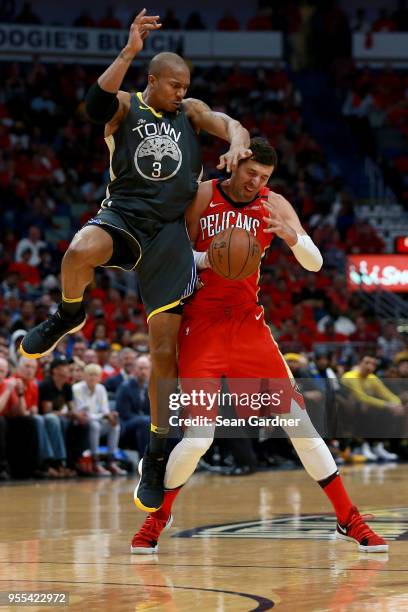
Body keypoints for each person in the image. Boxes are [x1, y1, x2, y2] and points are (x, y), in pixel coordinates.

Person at [21, 9, 251, 512]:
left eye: (185, 84)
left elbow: (231, 124)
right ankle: (69, 313)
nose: (180, 91)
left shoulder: (189, 114)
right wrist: (127, 50)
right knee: (79, 251)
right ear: (152, 80)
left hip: (168, 236)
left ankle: (156, 451)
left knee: (164, 351)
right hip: (123, 216)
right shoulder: (127, 106)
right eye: (173, 84)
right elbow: (92, 104)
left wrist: (235, 144)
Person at [131, 138, 387, 554]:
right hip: (203, 325)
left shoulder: (273, 203)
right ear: (235, 165)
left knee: (301, 425)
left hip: (250, 327)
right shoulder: (201, 195)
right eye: (251, 173)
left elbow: (316, 262)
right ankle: (159, 516)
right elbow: (163, 252)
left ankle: (348, 517)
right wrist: (204, 259)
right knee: (198, 438)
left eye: (264, 177)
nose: (256, 183)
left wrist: (294, 237)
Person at [72, 364, 126, 476]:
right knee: (95, 425)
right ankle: (95, 463)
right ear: (84, 376)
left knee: (115, 426)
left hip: (96, 421)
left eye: (95, 375)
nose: (92, 378)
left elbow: (105, 409)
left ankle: (111, 461)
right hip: (80, 424)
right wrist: (104, 416)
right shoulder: (76, 388)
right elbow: (83, 413)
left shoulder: (101, 388)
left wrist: (111, 416)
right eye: (90, 375)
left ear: (100, 377)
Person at [116, 355, 151, 455]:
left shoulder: (152, 387)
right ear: (135, 369)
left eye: (146, 368)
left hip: (146, 421)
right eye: (141, 368)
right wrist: (145, 418)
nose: (143, 371)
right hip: (127, 423)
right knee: (146, 421)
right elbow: (124, 413)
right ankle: (144, 461)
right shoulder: (125, 387)